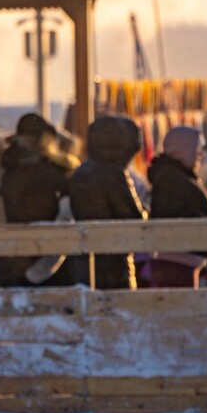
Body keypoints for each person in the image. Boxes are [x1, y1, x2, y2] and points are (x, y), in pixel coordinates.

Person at [0, 114, 79, 287]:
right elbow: (65, 223)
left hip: (10, 262)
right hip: (47, 267)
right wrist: (39, 271)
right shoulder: (55, 173)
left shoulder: (9, 169)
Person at [69, 116, 147, 289]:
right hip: (113, 262)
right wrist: (146, 210)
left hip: (83, 258)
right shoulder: (114, 174)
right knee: (118, 310)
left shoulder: (81, 172)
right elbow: (134, 219)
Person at [145, 126, 207, 288]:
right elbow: (171, 217)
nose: (200, 154)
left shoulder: (177, 175)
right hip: (176, 261)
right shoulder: (172, 178)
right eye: (198, 148)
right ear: (184, 149)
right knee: (179, 307)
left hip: (183, 259)